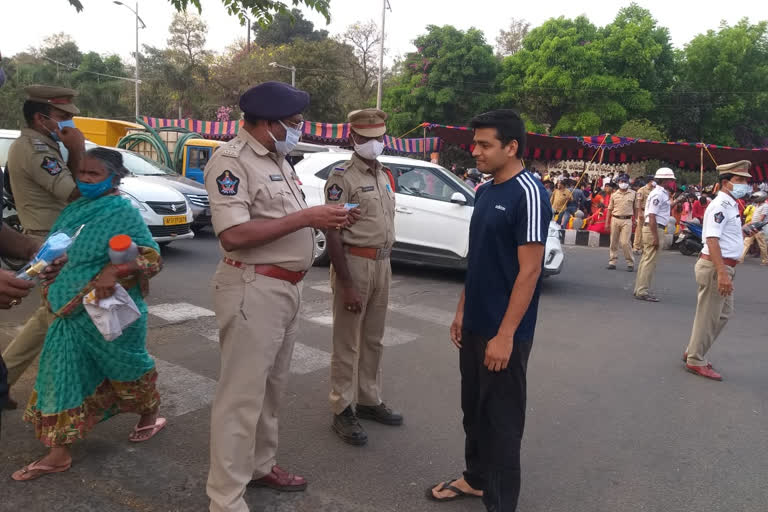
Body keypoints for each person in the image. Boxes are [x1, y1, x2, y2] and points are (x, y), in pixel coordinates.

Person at [204, 82, 355, 512]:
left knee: (271, 389)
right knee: (241, 396)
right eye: (292, 123)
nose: (298, 129)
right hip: (252, 287)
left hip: (284, 289)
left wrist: (326, 219)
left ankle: (259, 465)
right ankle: (226, 498)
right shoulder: (231, 163)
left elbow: (280, 221)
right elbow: (233, 235)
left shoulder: (278, 159)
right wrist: (308, 216)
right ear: (268, 124)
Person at [11, 148, 165, 481]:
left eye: (94, 174)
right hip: (68, 312)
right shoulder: (75, 209)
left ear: (114, 179)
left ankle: (148, 415)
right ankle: (58, 454)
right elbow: (67, 250)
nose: (85, 179)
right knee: (58, 375)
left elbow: (152, 257)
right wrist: (53, 267)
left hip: (107, 312)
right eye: (81, 173)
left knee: (128, 369)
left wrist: (114, 270)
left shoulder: (123, 212)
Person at [428, 110, 551, 512]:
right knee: (474, 409)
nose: (475, 151)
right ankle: (476, 478)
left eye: (484, 145)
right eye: (475, 143)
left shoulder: (528, 193)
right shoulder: (484, 191)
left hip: (505, 332)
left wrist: (505, 335)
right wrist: (462, 310)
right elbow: (479, 259)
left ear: (511, 147)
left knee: (501, 422)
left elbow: (530, 271)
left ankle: (500, 503)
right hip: (476, 322)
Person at [1, 85, 85, 410]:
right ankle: (63, 399)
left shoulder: (45, 144)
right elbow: (77, 194)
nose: (70, 124)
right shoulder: (37, 149)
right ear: (41, 118)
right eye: (63, 117)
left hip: (54, 238)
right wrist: (77, 149)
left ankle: (5, 377)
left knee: (49, 315)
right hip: (48, 241)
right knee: (59, 316)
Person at [323, 108, 401, 446]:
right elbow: (334, 234)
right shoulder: (342, 177)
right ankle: (342, 408)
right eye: (366, 138)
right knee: (347, 342)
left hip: (383, 264)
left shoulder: (383, 174)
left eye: (378, 137)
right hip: (354, 264)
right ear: (352, 137)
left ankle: (369, 399)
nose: (374, 143)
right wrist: (347, 283)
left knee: (374, 340)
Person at [682, 161, 754, 381]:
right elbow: (712, 238)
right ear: (726, 183)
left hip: (723, 267)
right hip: (716, 267)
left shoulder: (732, 204)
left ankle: (693, 350)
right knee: (709, 316)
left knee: (720, 314)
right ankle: (695, 359)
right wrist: (722, 273)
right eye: (740, 180)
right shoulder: (721, 205)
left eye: (746, 181)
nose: (745, 185)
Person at [634, 168, 676, 302]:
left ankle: (639, 289)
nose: (672, 182)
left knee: (646, 260)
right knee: (649, 262)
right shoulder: (658, 194)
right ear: (664, 180)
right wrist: (656, 238)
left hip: (654, 227)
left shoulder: (660, 193)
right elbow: (652, 215)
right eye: (670, 180)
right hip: (654, 228)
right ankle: (642, 291)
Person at [605, 174, 636, 271]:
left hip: (627, 220)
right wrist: (607, 222)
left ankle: (630, 263)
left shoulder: (633, 194)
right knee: (613, 242)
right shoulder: (614, 195)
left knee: (625, 242)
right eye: (621, 182)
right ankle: (612, 262)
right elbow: (609, 209)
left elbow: (635, 208)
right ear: (618, 183)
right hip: (615, 219)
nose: (623, 183)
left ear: (628, 183)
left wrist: (635, 220)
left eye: (625, 182)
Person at [741, 191, 768, 265]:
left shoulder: (765, 206)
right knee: (746, 242)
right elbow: (754, 218)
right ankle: (740, 258)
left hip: (760, 228)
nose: (755, 199)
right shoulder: (757, 205)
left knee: (762, 245)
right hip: (753, 226)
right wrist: (749, 224)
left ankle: (765, 260)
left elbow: (761, 219)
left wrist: (751, 224)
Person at [633, 178, 654, 254]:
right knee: (639, 229)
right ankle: (636, 246)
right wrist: (639, 213)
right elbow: (638, 202)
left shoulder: (654, 190)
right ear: (650, 181)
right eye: (653, 180)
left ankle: (643, 246)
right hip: (642, 211)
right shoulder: (642, 190)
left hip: (650, 212)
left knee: (647, 230)